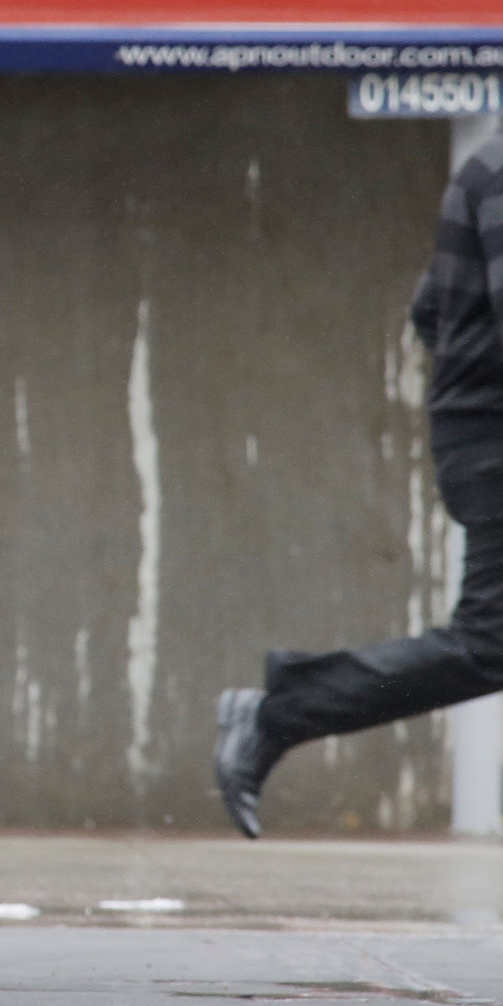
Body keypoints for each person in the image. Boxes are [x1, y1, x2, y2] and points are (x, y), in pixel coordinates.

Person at [215, 125, 503, 837]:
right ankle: (279, 711)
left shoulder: (484, 163)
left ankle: (281, 710)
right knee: (489, 641)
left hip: (479, 434)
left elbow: (429, 310)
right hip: (492, 442)